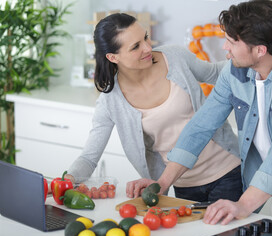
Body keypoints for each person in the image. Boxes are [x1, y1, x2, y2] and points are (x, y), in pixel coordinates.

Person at [134, 0, 272, 227]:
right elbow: (201, 126)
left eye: (232, 42)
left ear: (260, 50)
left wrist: (242, 205)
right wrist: (162, 183)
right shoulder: (235, 72)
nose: (225, 47)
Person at [65, 12, 243, 203]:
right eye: (135, 47)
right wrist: (65, 182)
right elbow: (89, 157)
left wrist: (253, 55)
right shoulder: (110, 101)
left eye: (145, 38)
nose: (148, 48)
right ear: (112, 57)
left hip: (228, 171)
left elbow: (215, 73)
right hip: (181, 184)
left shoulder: (174, 57)